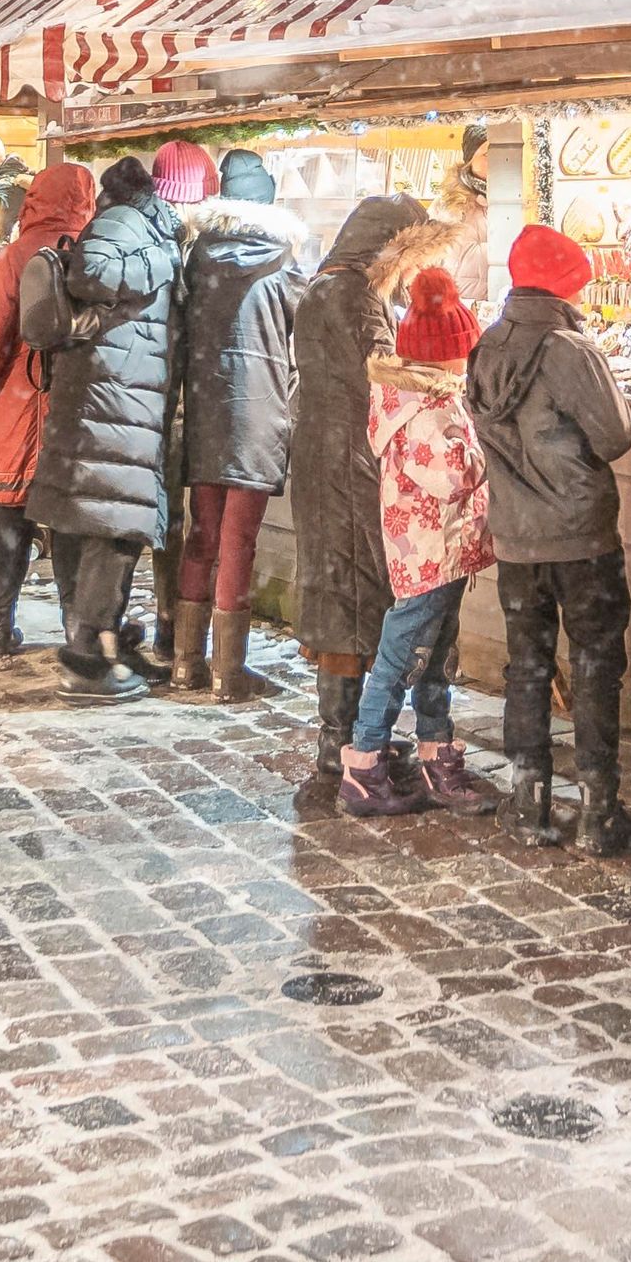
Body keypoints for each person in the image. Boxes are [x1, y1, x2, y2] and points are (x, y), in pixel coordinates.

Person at [469, 222, 631, 855]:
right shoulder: (572, 352)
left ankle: (530, 803)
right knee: (597, 666)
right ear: (565, 286)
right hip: (581, 538)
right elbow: (615, 437)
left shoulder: (486, 346)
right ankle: (600, 812)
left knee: (527, 667)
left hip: (517, 540)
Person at [285, 190, 438, 798]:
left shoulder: (321, 289)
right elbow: (383, 372)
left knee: (332, 585)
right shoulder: (357, 297)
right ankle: (341, 740)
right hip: (351, 457)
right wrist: (439, 376)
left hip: (320, 453)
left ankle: (337, 732)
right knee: (353, 590)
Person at [23, 144, 188, 691]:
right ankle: (88, 655)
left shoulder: (132, 224)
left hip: (114, 395)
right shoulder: (129, 225)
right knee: (114, 528)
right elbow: (90, 274)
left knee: (95, 521)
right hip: (115, 398)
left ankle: (93, 639)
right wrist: (163, 263)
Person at [342, 267, 498, 816]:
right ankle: (364, 762)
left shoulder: (423, 398)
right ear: (445, 356)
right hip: (430, 551)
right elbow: (454, 476)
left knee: (433, 653)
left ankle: (435, 748)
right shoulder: (425, 410)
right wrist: (485, 448)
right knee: (402, 654)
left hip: (442, 550)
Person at [167, 156, 309, 706]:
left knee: (202, 536)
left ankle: (185, 665)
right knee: (238, 542)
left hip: (205, 411)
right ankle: (229, 673)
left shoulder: (196, 260)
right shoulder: (283, 264)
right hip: (257, 417)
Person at [0, 163, 89, 655]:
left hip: (13, 408)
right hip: (74, 410)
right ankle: (76, 628)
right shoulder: (94, 252)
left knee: (5, 525)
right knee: (69, 525)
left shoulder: (17, 256)